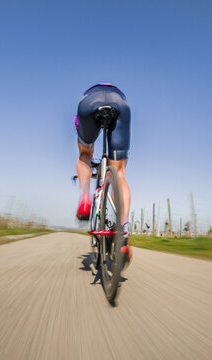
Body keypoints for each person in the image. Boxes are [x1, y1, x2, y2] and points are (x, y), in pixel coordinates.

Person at [74, 83, 132, 262]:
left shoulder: (87, 93)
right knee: (119, 171)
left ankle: (85, 199)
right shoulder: (118, 93)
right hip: (120, 102)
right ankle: (123, 231)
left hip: (89, 103)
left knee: (85, 154)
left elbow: (77, 124)